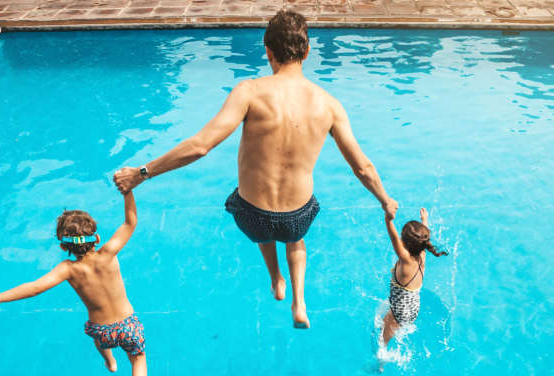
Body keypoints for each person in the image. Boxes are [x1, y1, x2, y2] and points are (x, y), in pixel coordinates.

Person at [113, 10, 397, 329]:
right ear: (307, 52)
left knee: (262, 227)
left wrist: (141, 173)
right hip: (297, 217)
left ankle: (276, 280)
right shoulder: (329, 105)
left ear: (267, 51)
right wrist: (385, 199)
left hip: (251, 215)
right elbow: (362, 167)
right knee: (295, 240)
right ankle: (299, 301)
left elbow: (201, 145)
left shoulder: (250, 91)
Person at [0, 191, 158, 376]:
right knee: (138, 358)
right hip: (127, 325)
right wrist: (128, 192)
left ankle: (109, 360)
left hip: (101, 329)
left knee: (100, 339)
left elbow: (35, 287)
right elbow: (130, 222)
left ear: (62, 247)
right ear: (96, 239)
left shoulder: (67, 269)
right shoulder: (108, 252)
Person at [382, 207, 448, 344]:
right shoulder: (422, 255)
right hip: (412, 307)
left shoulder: (406, 261)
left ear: (404, 243)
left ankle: (380, 364)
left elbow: (394, 239)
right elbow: (422, 239)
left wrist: (388, 220)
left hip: (400, 312)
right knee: (385, 320)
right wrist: (425, 220)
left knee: (382, 341)